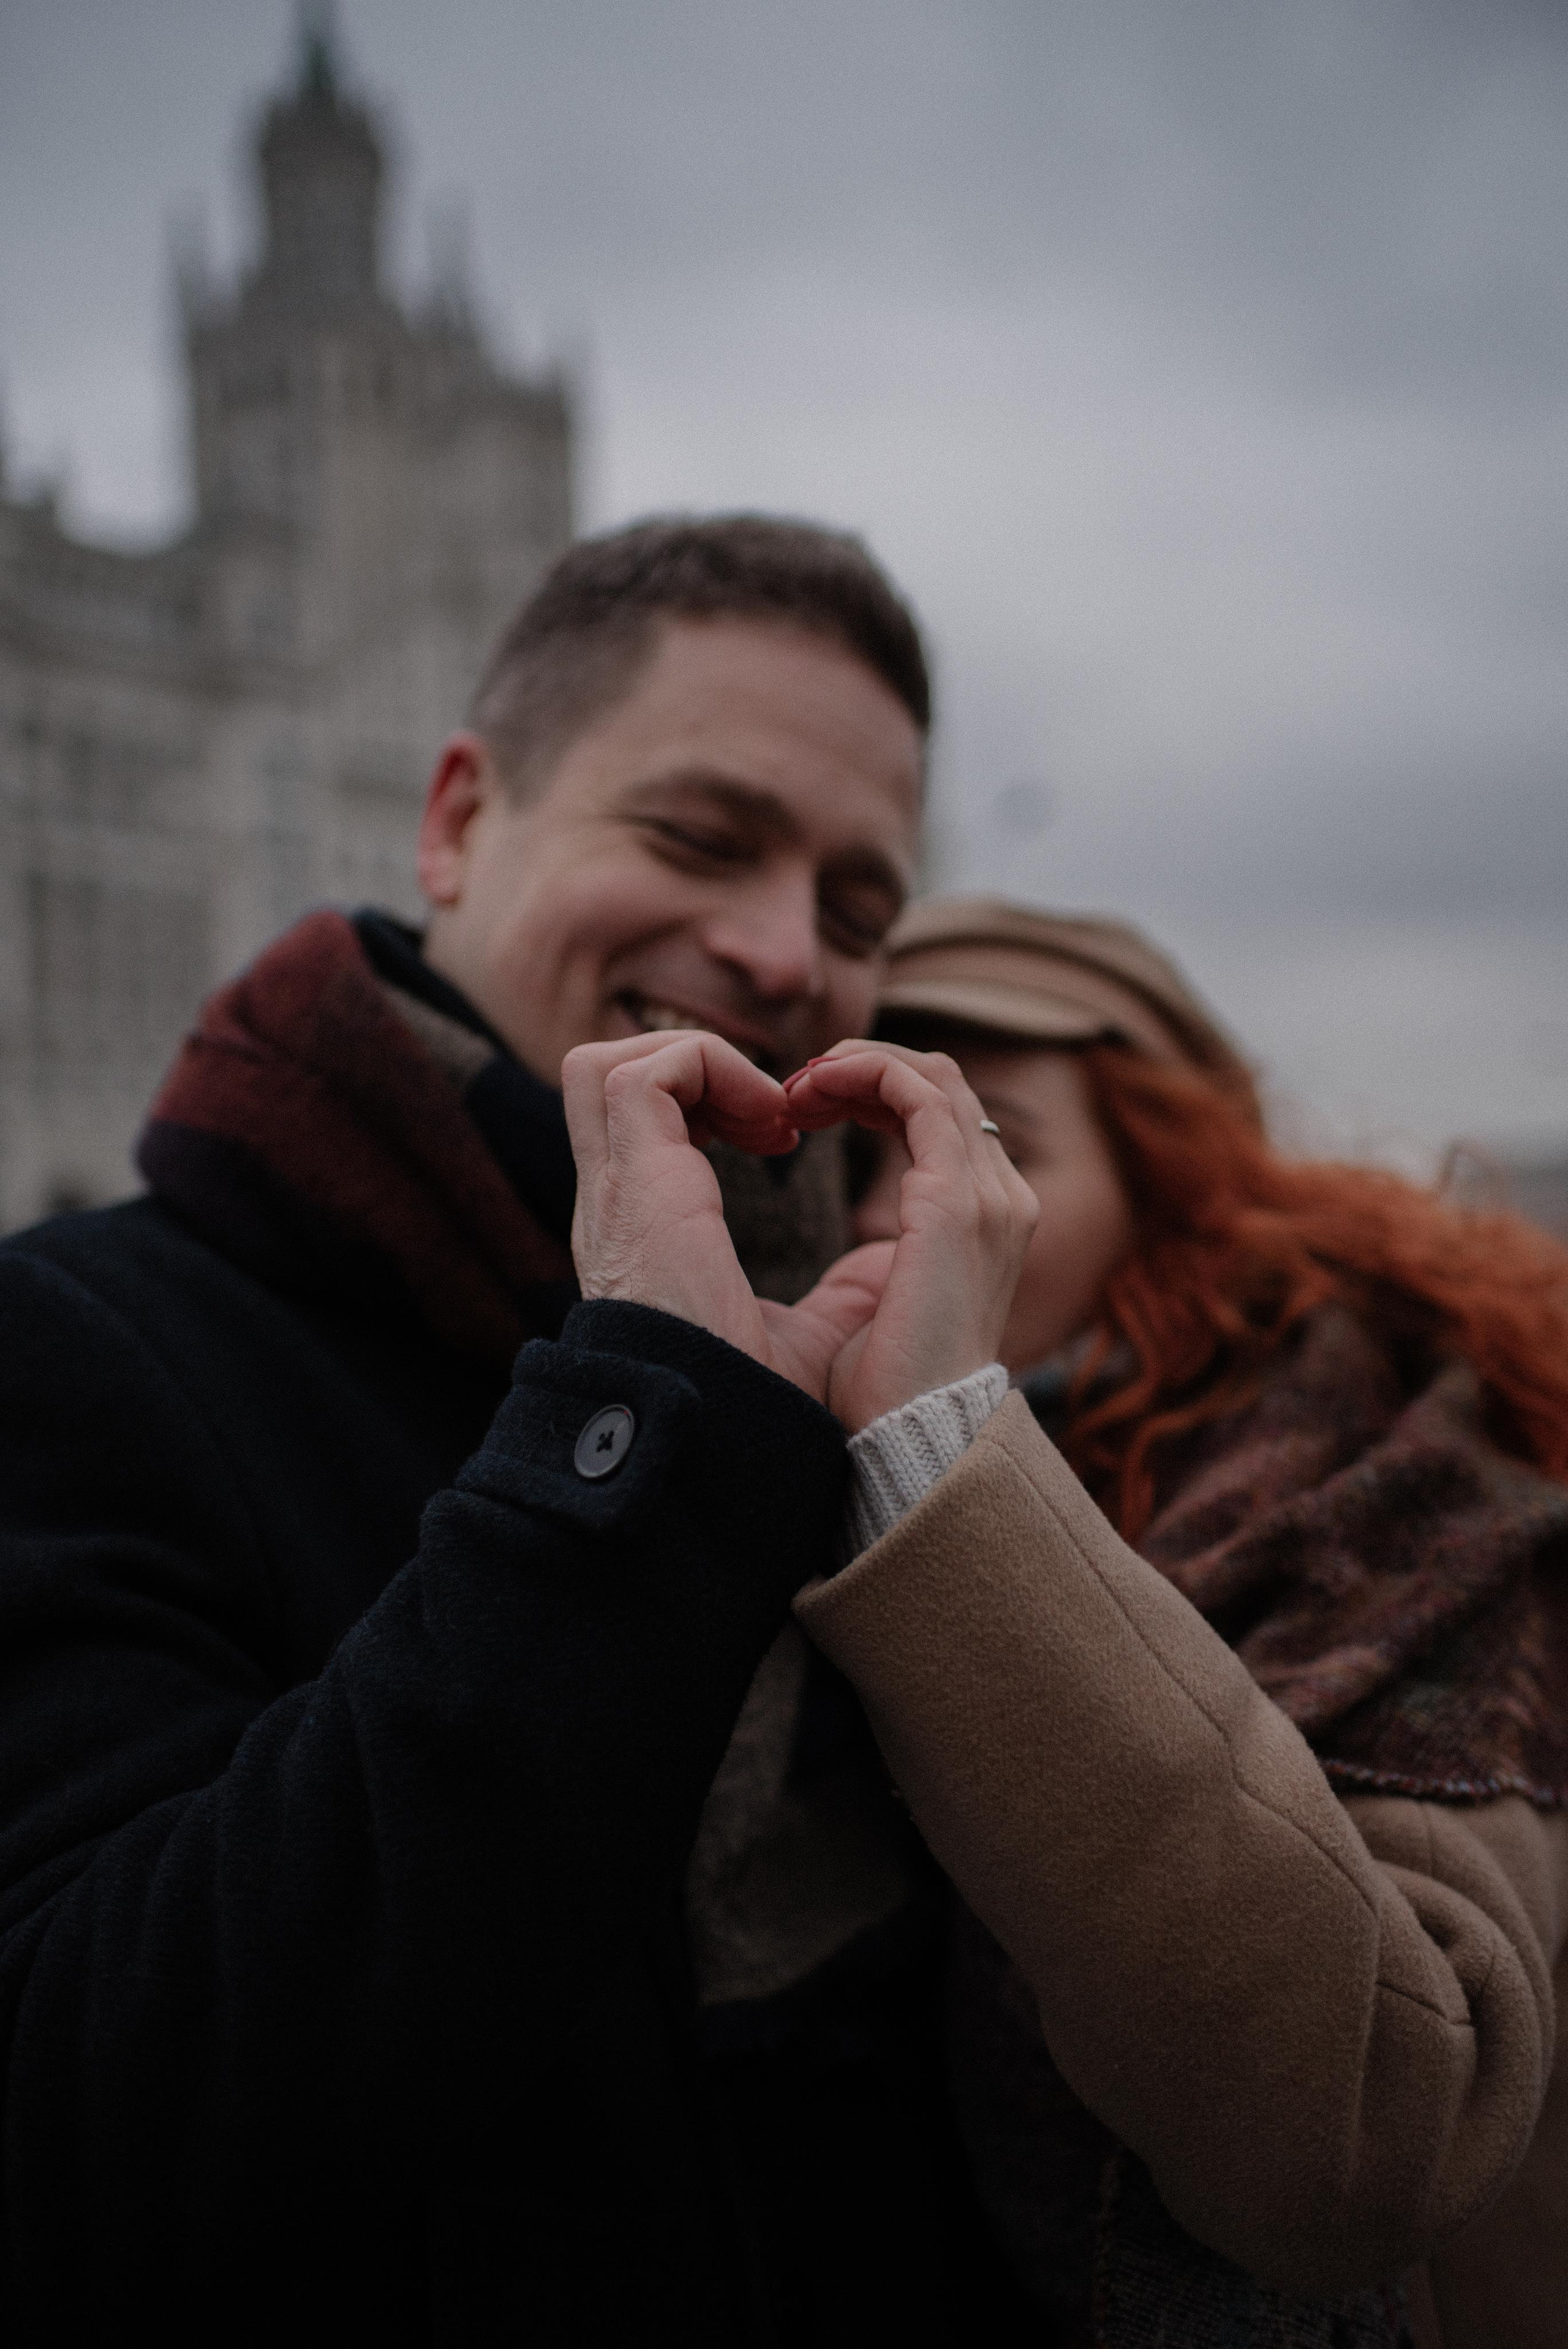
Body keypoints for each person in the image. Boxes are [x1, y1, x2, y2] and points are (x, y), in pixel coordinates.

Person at [0, 517, 1047, 2342]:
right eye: (699, 837)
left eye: (862, 909)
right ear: (460, 821)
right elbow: (85, 2126)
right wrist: (644, 1411)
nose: (787, 950)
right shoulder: (72, 1343)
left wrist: (955, 1465)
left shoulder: (883, 1371)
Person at [782, 894, 1568, 2349]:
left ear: (1173, 1177)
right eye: (858, 1149)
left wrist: (939, 1452)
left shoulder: (1398, 1482)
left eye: (990, 1140)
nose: (917, 1204)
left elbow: (1376, 2116)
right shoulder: (815, 1479)